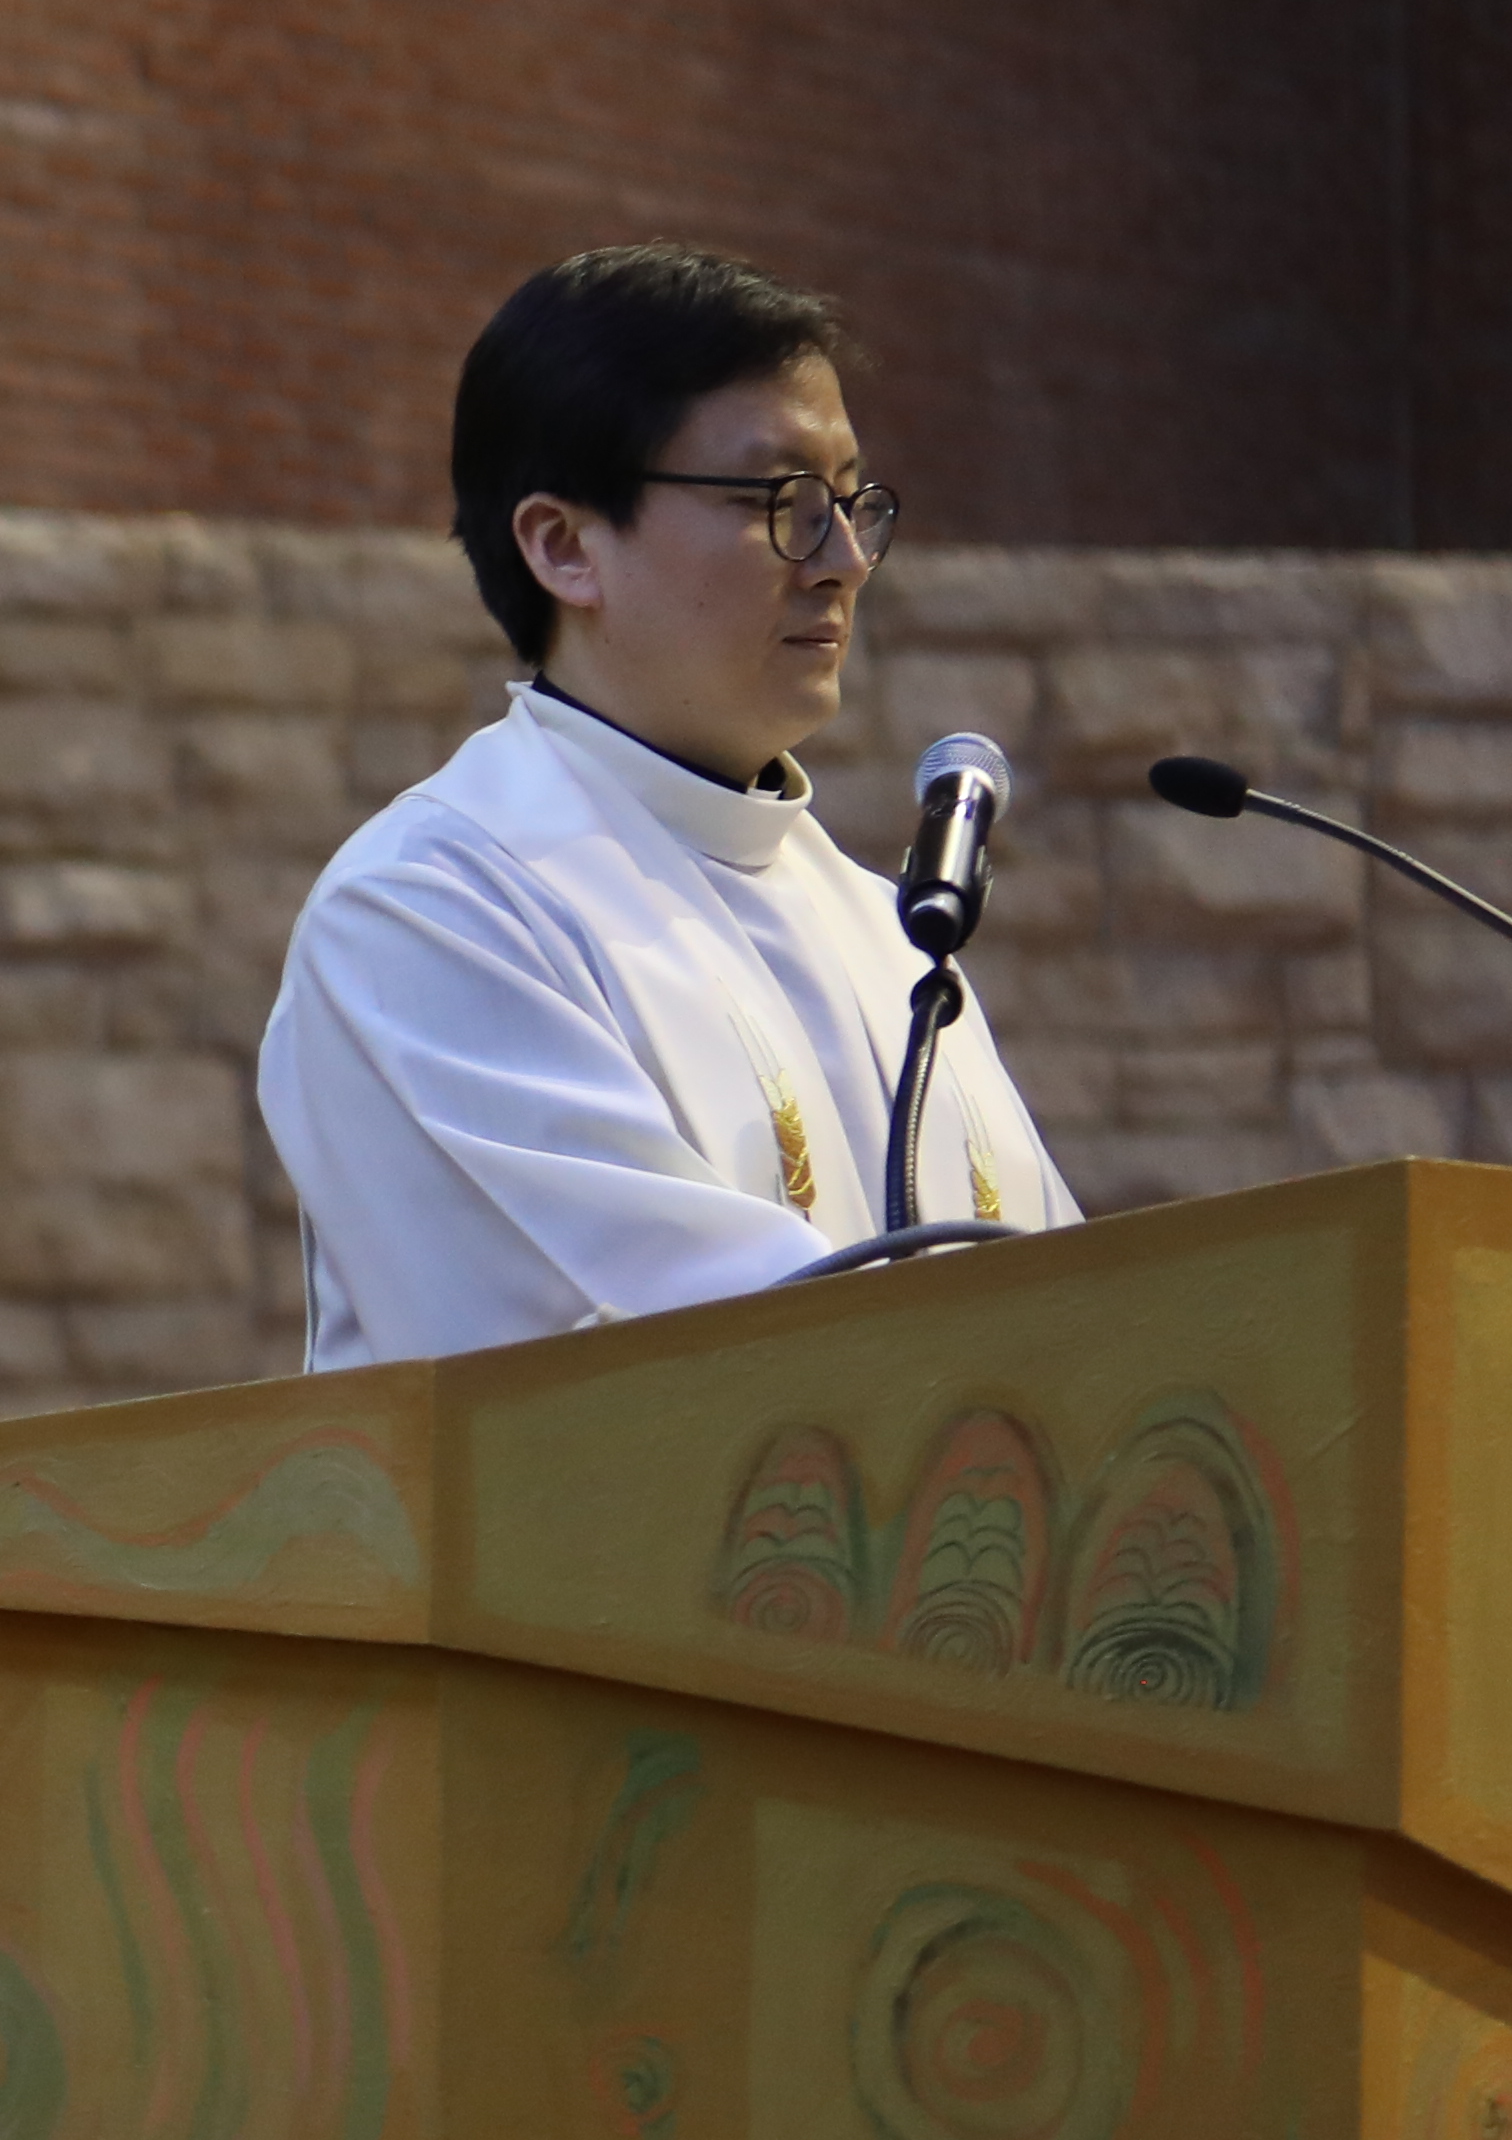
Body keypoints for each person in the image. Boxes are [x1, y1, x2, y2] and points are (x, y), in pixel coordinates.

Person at [261, 245, 1081, 1366]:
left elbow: (1083, 1327)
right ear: (564, 546)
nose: (844, 559)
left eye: (853, 502)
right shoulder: (435, 908)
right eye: (784, 501)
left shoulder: (900, 942)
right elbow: (638, 1383)